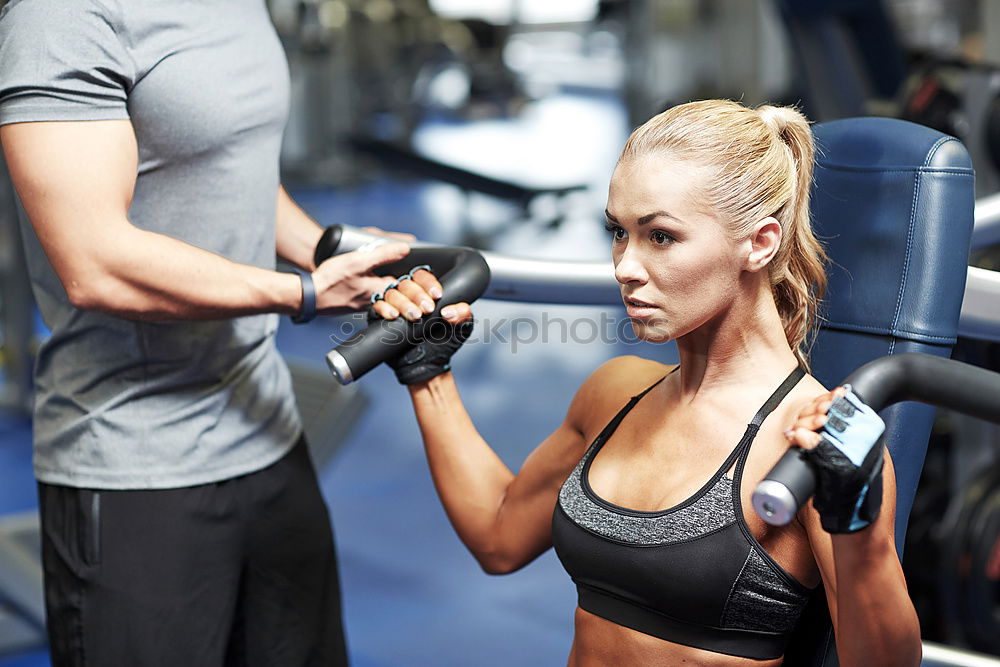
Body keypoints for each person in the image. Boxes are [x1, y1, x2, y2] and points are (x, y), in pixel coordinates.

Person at [370, 99, 922, 665]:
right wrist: (428, 375)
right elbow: (498, 537)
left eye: (660, 237)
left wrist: (860, 532)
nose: (624, 266)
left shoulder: (807, 445)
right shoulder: (616, 392)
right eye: (619, 232)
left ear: (759, 243)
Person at [0, 1, 443, 665]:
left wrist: (328, 250)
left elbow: (232, 164)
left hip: (265, 429)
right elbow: (93, 263)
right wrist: (304, 293)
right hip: (134, 457)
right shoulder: (61, 16)